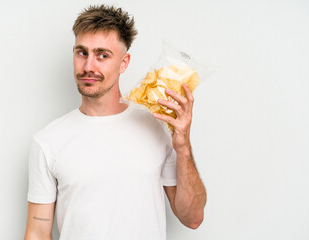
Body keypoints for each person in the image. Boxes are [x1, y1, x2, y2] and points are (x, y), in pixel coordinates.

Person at [24, 4, 206, 240]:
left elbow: (192, 218)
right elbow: (37, 232)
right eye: (82, 52)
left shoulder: (158, 126)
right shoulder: (47, 142)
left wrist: (183, 148)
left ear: (124, 62)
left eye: (102, 55)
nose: (89, 66)